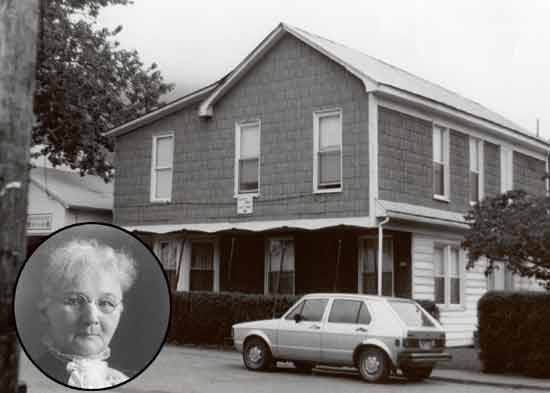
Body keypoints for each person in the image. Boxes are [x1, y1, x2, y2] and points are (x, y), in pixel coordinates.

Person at [36, 239, 137, 389]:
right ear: (45, 311)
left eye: (106, 303)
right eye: (75, 301)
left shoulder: (122, 381)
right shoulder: (34, 380)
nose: (91, 318)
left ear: (120, 311)